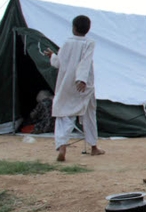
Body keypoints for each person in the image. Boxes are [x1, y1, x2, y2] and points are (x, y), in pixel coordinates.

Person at [43, 15, 105, 162]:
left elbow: (58, 63)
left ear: (74, 28)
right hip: (84, 85)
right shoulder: (89, 43)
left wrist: (52, 55)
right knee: (89, 113)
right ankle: (93, 146)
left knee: (64, 114)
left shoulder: (67, 43)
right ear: (88, 29)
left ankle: (62, 145)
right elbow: (86, 61)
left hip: (67, 83)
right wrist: (82, 79)